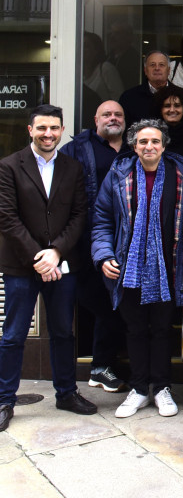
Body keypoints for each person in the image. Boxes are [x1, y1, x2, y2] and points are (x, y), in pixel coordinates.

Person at [0, 105, 95, 433]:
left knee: (62, 333)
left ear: (61, 129)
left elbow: (79, 215)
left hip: (62, 264)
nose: (48, 134)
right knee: (13, 335)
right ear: (30, 130)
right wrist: (39, 258)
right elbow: (7, 218)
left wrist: (55, 252)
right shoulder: (9, 166)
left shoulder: (73, 167)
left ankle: (66, 393)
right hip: (20, 265)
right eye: (41, 128)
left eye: (54, 128)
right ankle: (4, 400)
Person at [92, 119, 183, 419]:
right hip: (129, 267)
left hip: (168, 267)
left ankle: (161, 388)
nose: (149, 146)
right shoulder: (119, 173)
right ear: (133, 146)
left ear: (164, 146)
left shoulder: (181, 173)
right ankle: (138, 389)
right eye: (143, 142)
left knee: (162, 329)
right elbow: (102, 218)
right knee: (135, 329)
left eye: (155, 142)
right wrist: (104, 255)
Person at [61, 101, 129, 393]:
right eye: (107, 115)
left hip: (127, 241)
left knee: (121, 304)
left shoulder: (135, 146)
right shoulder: (78, 147)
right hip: (89, 240)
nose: (113, 119)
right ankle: (100, 366)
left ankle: (104, 365)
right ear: (95, 119)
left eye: (118, 115)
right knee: (103, 304)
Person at [119, 50, 173, 126]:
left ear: (169, 70)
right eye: (152, 65)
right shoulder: (128, 97)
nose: (157, 68)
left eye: (161, 65)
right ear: (145, 70)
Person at [83, 31, 124, 128]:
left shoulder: (106, 69)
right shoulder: (75, 74)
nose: (83, 50)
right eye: (80, 46)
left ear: (96, 50)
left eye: (86, 46)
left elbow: (119, 98)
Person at [151, 85, 183, 161]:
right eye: (167, 106)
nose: (172, 110)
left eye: (177, 106)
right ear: (160, 109)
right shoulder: (151, 134)